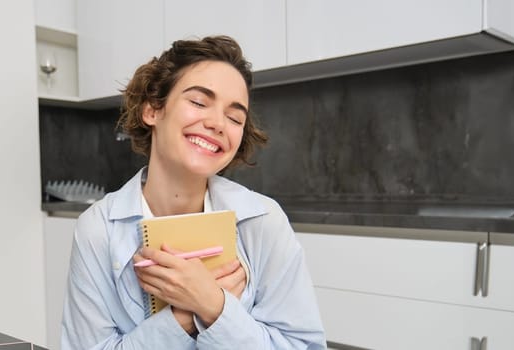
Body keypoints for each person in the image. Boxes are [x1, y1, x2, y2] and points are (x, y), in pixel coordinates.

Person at [61, 36, 326, 350]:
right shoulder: (98, 230)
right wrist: (188, 314)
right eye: (199, 102)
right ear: (152, 110)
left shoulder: (264, 222)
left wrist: (214, 306)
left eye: (234, 117)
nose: (217, 123)